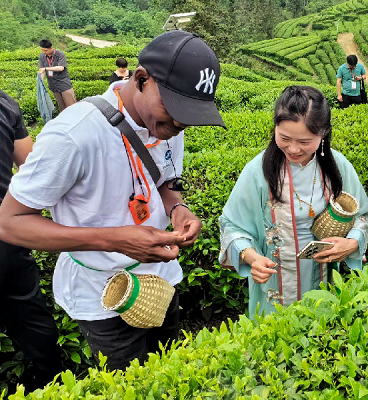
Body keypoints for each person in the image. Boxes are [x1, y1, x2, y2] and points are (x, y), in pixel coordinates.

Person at [0, 31, 226, 371]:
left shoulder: (167, 125)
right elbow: (9, 223)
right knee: (131, 382)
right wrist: (114, 240)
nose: (180, 123)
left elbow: (165, 179)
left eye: (190, 113)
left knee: (172, 371)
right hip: (102, 297)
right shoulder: (73, 134)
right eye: (174, 108)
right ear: (140, 79)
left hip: (161, 278)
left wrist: (177, 207)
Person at [219, 85, 368, 318]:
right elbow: (231, 225)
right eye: (285, 138)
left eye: (304, 141)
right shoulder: (257, 172)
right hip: (273, 281)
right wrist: (252, 258)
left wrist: (351, 243)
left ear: (323, 135)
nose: (293, 148)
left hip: (323, 275)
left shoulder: (338, 167)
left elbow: (362, 216)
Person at [0, 90, 62, 390]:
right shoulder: (4, 102)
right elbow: (30, 163)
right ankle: (51, 383)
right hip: (6, 232)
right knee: (28, 312)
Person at [38, 39, 77, 113]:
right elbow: (42, 71)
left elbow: (61, 68)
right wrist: (41, 83)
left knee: (72, 106)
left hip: (64, 84)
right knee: (62, 108)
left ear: (51, 48)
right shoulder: (42, 56)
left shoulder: (60, 54)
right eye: (42, 50)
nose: (44, 52)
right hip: (53, 86)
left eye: (45, 50)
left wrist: (46, 68)